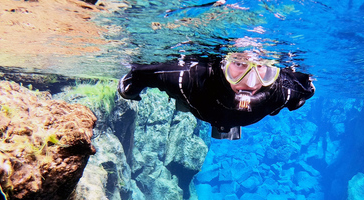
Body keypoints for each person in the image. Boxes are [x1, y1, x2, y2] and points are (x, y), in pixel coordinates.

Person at [118, 53, 315, 140]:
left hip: (202, 109)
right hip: (198, 102)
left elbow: (305, 92)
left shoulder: (281, 92)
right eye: (239, 64)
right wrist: (129, 91)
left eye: (262, 67)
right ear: (223, 64)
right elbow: (139, 75)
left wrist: (129, 91)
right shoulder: (189, 79)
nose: (252, 82)